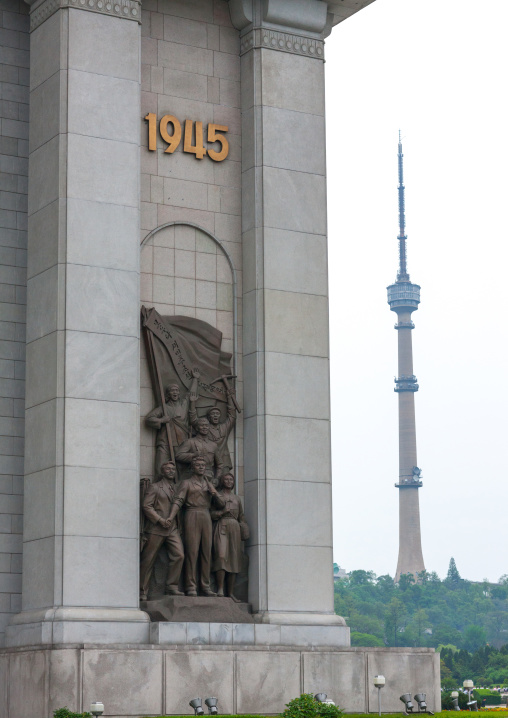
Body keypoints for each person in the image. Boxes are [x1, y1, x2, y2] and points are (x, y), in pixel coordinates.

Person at [166, 456, 225, 597]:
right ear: (192, 467)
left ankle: (205, 586)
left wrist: (214, 492)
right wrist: (170, 517)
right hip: (192, 514)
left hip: (206, 515)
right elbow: (178, 501)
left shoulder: (209, 484)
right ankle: (190, 586)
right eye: (198, 465)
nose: (201, 467)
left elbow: (222, 504)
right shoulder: (186, 483)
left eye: (203, 465)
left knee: (206, 552)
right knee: (192, 552)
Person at [139, 461, 184, 601]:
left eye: (173, 469)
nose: (171, 471)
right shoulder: (155, 487)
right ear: (162, 472)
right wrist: (159, 520)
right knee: (148, 560)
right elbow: (147, 506)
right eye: (168, 469)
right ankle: (142, 591)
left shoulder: (177, 488)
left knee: (179, 555)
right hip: (156, 528)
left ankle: (172, 586)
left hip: (172, 529)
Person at [145, 369, 200, 475]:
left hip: (181, 442)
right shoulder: (164, 408)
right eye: (172, 390)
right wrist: (161, 420)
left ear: (179, 393)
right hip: (165, 441)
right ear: (168, 394)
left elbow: (191, 394)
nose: (175, 392)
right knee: (161, 466)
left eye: (177, 390)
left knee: (181, 470)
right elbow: (149, 419)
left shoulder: (183, 405)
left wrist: (195, 379)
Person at [211, 472, 247, 602]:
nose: (229, 481)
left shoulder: (237, 498)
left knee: (233, 559)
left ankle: (230, 592)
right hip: (221, 525)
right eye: (226, 479)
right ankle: (220, 588)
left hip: (234, 528)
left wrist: (243, 527)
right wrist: (221, 513)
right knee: (221, 556)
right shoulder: (217, 495)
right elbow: (210, 514)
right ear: (222, 481)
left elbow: (241, 516)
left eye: (231, 479)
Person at [189, 391, 237, 473]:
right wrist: (192, 403)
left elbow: (232, 416)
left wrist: (229, 398)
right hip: (207, 461)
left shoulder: (224, 427)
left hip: (223, 459)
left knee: (224, 481)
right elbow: (193, 419)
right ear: (209, 417)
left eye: (217, 413)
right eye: (213, 414)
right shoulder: (205, 428)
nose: (215, 415)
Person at [175, 417, 224, 484]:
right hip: (192, 476)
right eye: (202, 425)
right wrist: (193, 455)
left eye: (206, 425)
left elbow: (220, 464)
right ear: (197, 428)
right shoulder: (190, 442)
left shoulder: (213, 445)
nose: (204, 427)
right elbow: (178, 455)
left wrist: (217, 479)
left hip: (209, 476)